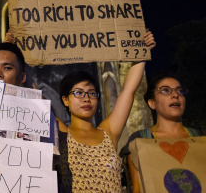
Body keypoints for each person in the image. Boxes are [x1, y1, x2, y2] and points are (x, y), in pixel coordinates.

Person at [56, 31, 156, 192]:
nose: (86, 98)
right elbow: (33, 98)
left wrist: (142, 53)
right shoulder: (60, 133)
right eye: (79, 93)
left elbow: (128, 91)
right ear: (65, 100)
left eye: (92, 93)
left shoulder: (108, 133)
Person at [121, 73, 205, 193]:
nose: (175, 95)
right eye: (165, 91)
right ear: (152, 103)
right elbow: (137, 189)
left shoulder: (201, 137)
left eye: (179, 91)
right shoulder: (140, 139)